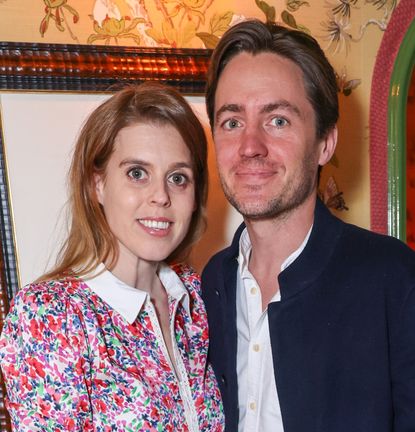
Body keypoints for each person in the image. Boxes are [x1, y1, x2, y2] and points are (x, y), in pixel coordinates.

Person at [201, 19, 415, 432]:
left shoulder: (395, 280)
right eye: (231, 122)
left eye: (277, 120)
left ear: (325, 143)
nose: (250, 146)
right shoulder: (208, 287)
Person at [0, 82, 224, 431]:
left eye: (178, 178)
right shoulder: (50, 317)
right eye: (137, 173)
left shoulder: (197, 296)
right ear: (98, 184)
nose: (161, 196)